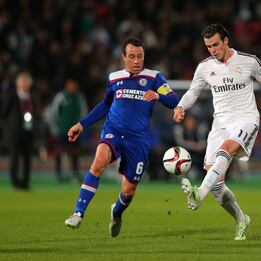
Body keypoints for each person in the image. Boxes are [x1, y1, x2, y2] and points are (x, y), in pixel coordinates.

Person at [64, 38, 179, 237]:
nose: (136, 61)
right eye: (132, 56)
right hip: (114, 131)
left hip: (138, 140)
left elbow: (173, 100)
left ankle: (116, 213)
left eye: (140, 56)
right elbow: (105, 105)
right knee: (98, 163)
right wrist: (81, 124)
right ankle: (78, 213)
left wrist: (158, 96)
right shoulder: (114, 78)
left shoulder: (154, 77)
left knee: (128, 191)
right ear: (123, 57)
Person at [173, 24, 261, 240]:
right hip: (220, 124)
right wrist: (181, 106)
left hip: (246, 119)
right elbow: (193, 92)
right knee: (217, 186)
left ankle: (198, 193)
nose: (212, 49)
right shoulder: (204, 67)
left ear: (226, 41)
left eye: (215, 44)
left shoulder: (249, 61)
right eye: (208, 46)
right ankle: (241, 218)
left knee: (226, 149)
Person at [46, 78, 87, 181]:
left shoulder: (79, 97)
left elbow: (84, 112)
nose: (72, 87)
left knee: (75, 152)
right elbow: (54, 113)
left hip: (75, 131)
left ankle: (75, 173)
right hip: (62, 130)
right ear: (66, 86)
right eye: (70, 85)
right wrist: (55, 128)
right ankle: (58, 173)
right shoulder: (61, 97)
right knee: (59, 152)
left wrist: (81, 126)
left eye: (74, 85)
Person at [2, 72, 36, 190]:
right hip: (14, 133)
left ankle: (25, 183)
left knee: (27, 158)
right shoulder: (11, 96)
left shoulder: (31, 97)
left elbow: (35, 114)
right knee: (14, 158)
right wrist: (8, 128)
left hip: (28, 132)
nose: (25, 85)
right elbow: (4, 114)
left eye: (27, 83)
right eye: (23, 82)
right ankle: (15, 183)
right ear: (18, 84)